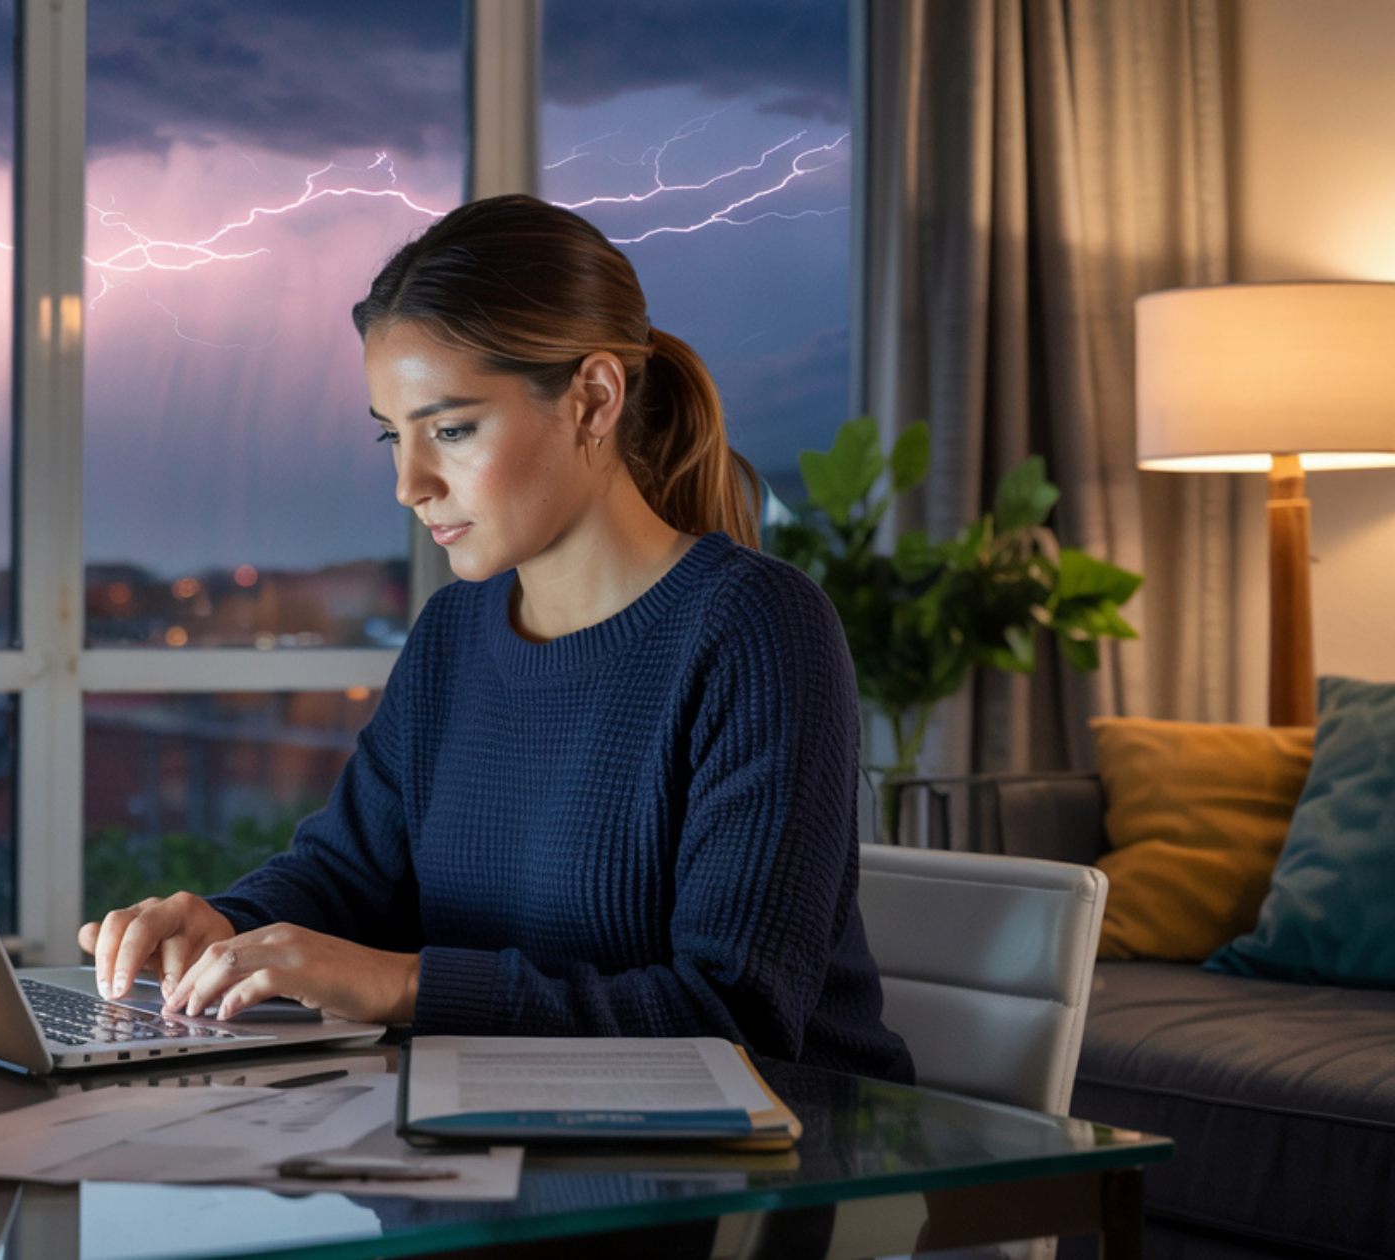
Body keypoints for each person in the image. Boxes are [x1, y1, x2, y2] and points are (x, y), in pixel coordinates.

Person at [78, 194, 913, 1083]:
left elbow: (735, 1014)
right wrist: (223, 925)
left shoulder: (756, 629)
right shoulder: (455, 633)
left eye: (450, 429)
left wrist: (404, 985)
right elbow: (348, 874)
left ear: (594, 399)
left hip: (777, 1173)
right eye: (391, 437)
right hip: (514, 1144)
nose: (409, 484)